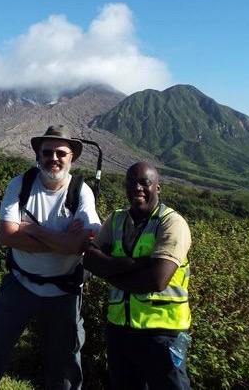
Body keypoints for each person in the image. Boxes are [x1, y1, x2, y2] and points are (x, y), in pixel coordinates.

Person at [0, 125, 101, 390]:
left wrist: (34, 230)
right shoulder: (21, 184)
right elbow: (7, 237)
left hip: (64, 292)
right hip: (20, 284)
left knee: (64, 367)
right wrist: (63, 241)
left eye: (62, 153)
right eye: (48, 152)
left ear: (72, 157)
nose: (54, 158)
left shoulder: (81, 192)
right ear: (38, 155)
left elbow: (81, 244)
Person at [83, 161, 192, 390]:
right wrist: (136, 264)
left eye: (145, 182)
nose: (138, 188)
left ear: (158, 188)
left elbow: (156, 280)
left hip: (163, 334)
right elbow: (90, 258)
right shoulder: (116, 220)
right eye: (131, 182)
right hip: (119, 330)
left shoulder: (172, 223)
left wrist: (109, 272)